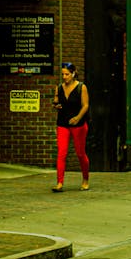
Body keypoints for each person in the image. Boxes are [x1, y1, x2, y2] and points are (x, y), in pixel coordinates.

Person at [52, 61, 90, 192]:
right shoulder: (59, 87)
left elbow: (85, 105)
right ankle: (59, 182)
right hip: (62, 123)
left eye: (67, 74)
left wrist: (78, 118)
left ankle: (85, 179)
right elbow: (56, 101)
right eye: (62, 74)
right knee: (61, 153)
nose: (64, 77)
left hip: (78, 124)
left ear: (73, 74)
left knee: (80, 153)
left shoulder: (81, 87)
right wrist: (56, 105)